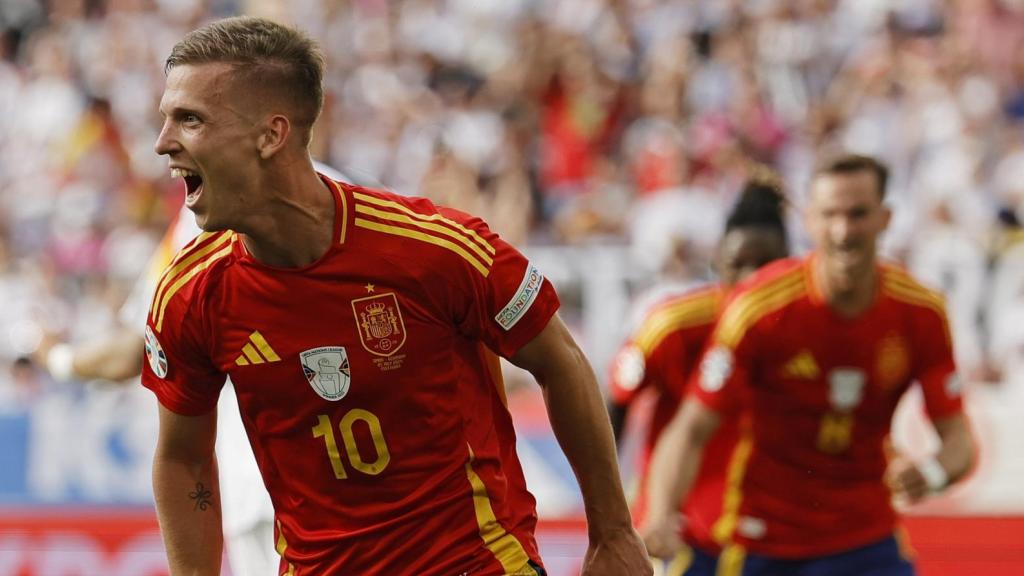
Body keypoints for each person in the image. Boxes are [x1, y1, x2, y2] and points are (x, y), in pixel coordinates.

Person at [142, 16, 649, 576]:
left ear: (271, 134)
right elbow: (183, 459)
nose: (163, 143)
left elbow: (560, 359)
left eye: (189, 120)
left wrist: (613, 533)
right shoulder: (192, 292)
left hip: (474, 564)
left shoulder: (433, 250)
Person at [642, 154, 977, 575]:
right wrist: (659, 515)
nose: (843, 231)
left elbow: (959, 440)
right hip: (765, 541)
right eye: (830, 215)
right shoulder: (760, 310)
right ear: (810, 222)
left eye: (858, 215)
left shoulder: (920, 313)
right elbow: (690, 429)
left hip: (867, 538)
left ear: (885, 218)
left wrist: (931, 472)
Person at [37, 163, 344, 576]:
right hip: (363, 479)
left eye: (191, 119)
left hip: (267, 490)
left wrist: (56, 358)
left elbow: (138, 349)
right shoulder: (360, 196)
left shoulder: (206, 214)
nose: (168, 143)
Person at [607, 173, 789, 576]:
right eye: (738, 264)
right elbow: (615, 404)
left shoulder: (808, 331)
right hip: (677, 536)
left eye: (765, 265)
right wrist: (608, 512)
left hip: (773, 538)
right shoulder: (673, 326)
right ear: (718, 262)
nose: (750, 279)